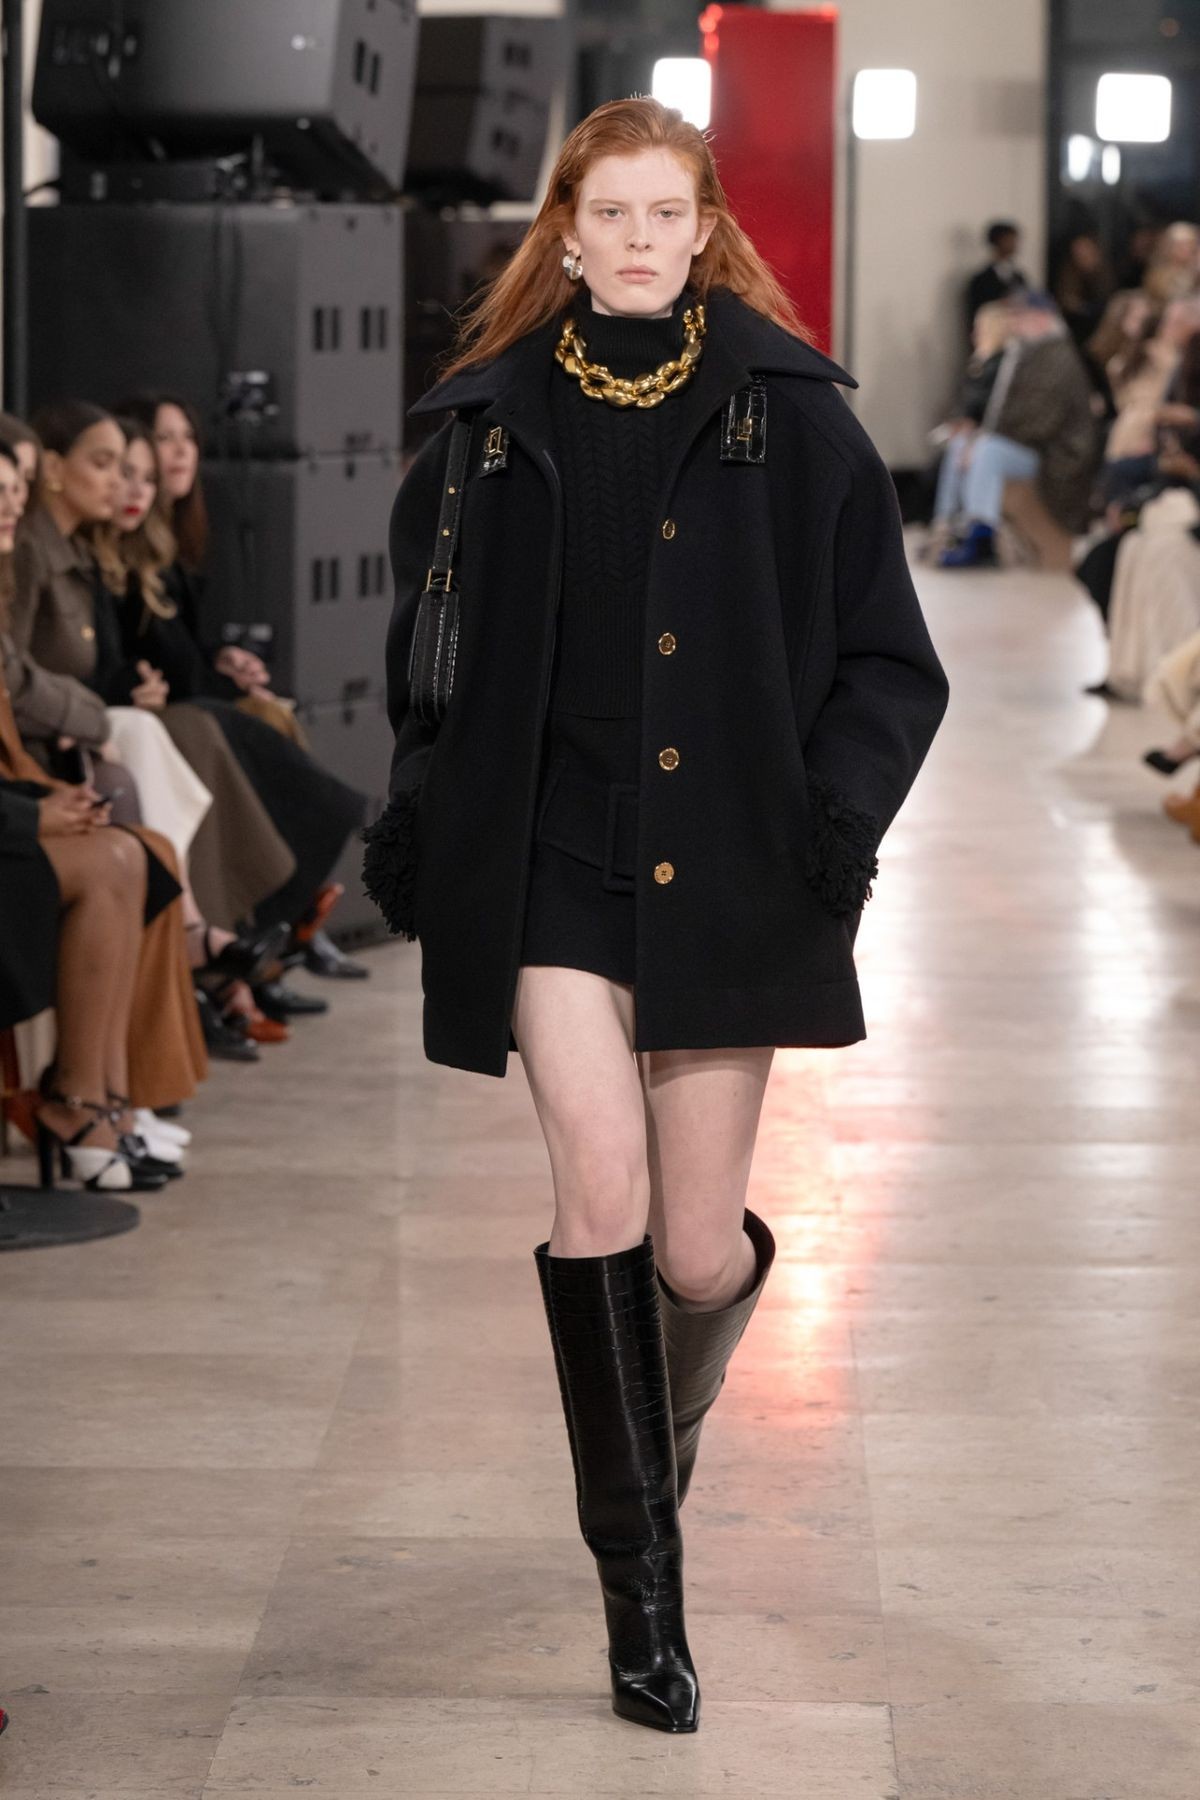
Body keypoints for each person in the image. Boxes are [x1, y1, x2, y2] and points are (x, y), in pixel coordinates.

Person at [364, 97, 949, 1734]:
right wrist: (426, 811)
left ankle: (654, 1425)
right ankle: (642, 1591)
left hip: (728, 865)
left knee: (696, 1251)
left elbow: (892, 661)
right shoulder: (487, 426)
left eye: (662, 215)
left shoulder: (793, 417)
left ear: (704, 232)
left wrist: (834, 825)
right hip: (550, 862)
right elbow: (425, 660)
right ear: (564, 234)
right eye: (607, 215)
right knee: (601, 1197)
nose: (635, 241)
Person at [96, 418, 366, 1012]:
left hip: (156, 709)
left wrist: (220, 661)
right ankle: (245, 951)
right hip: (138, 720)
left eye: (184, 441)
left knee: (267, 713)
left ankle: (270, 938)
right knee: (210, 731)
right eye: (123, 468)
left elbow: (178, 659)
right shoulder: (103, 559)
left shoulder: (160, 550)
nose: (137, 484)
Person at [939, 294, 1098, 567]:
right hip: (1032, 445)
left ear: (1042, 318)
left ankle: (982, 536)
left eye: (1021, 317)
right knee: (963, 444)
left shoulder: (1057, 357)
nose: (1015, 324)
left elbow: (1040, 421)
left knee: (987, 451)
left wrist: (986, 438)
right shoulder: (1031, 353)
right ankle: (947, 528)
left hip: (1058, 456)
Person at [1052, 230, 1114, 351]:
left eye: (1084, 248)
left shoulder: (1105, 275)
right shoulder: (1069, 274)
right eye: (1077, 250)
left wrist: (1082, 307)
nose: (1080, 253)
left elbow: (1107, 303)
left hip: (1099, 326)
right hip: (1075, 329)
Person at [964, 220, 1028, 336]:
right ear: (997, 241)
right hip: (992, 336)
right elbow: (976, 313)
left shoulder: (1019, 276)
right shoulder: (981, 279)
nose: (1014, 244)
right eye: (1009, 240)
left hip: (1017, 335)